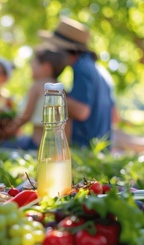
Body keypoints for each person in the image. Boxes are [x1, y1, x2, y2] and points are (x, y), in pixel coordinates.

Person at [39, 16, 116, 148]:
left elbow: (82, 111)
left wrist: (48, 91)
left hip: (84, 146)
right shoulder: (96, 68)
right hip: (100, 145)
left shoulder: (82, 68)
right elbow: (115, 116)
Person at [1, 43, 69, 150]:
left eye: (33, 65)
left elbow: (25, 116)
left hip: (36, 144)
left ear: (46, 68)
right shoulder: (62, 90)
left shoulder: (37, 86)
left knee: (3, 145)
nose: (30, 67)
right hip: (56, 147)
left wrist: (7, 131)